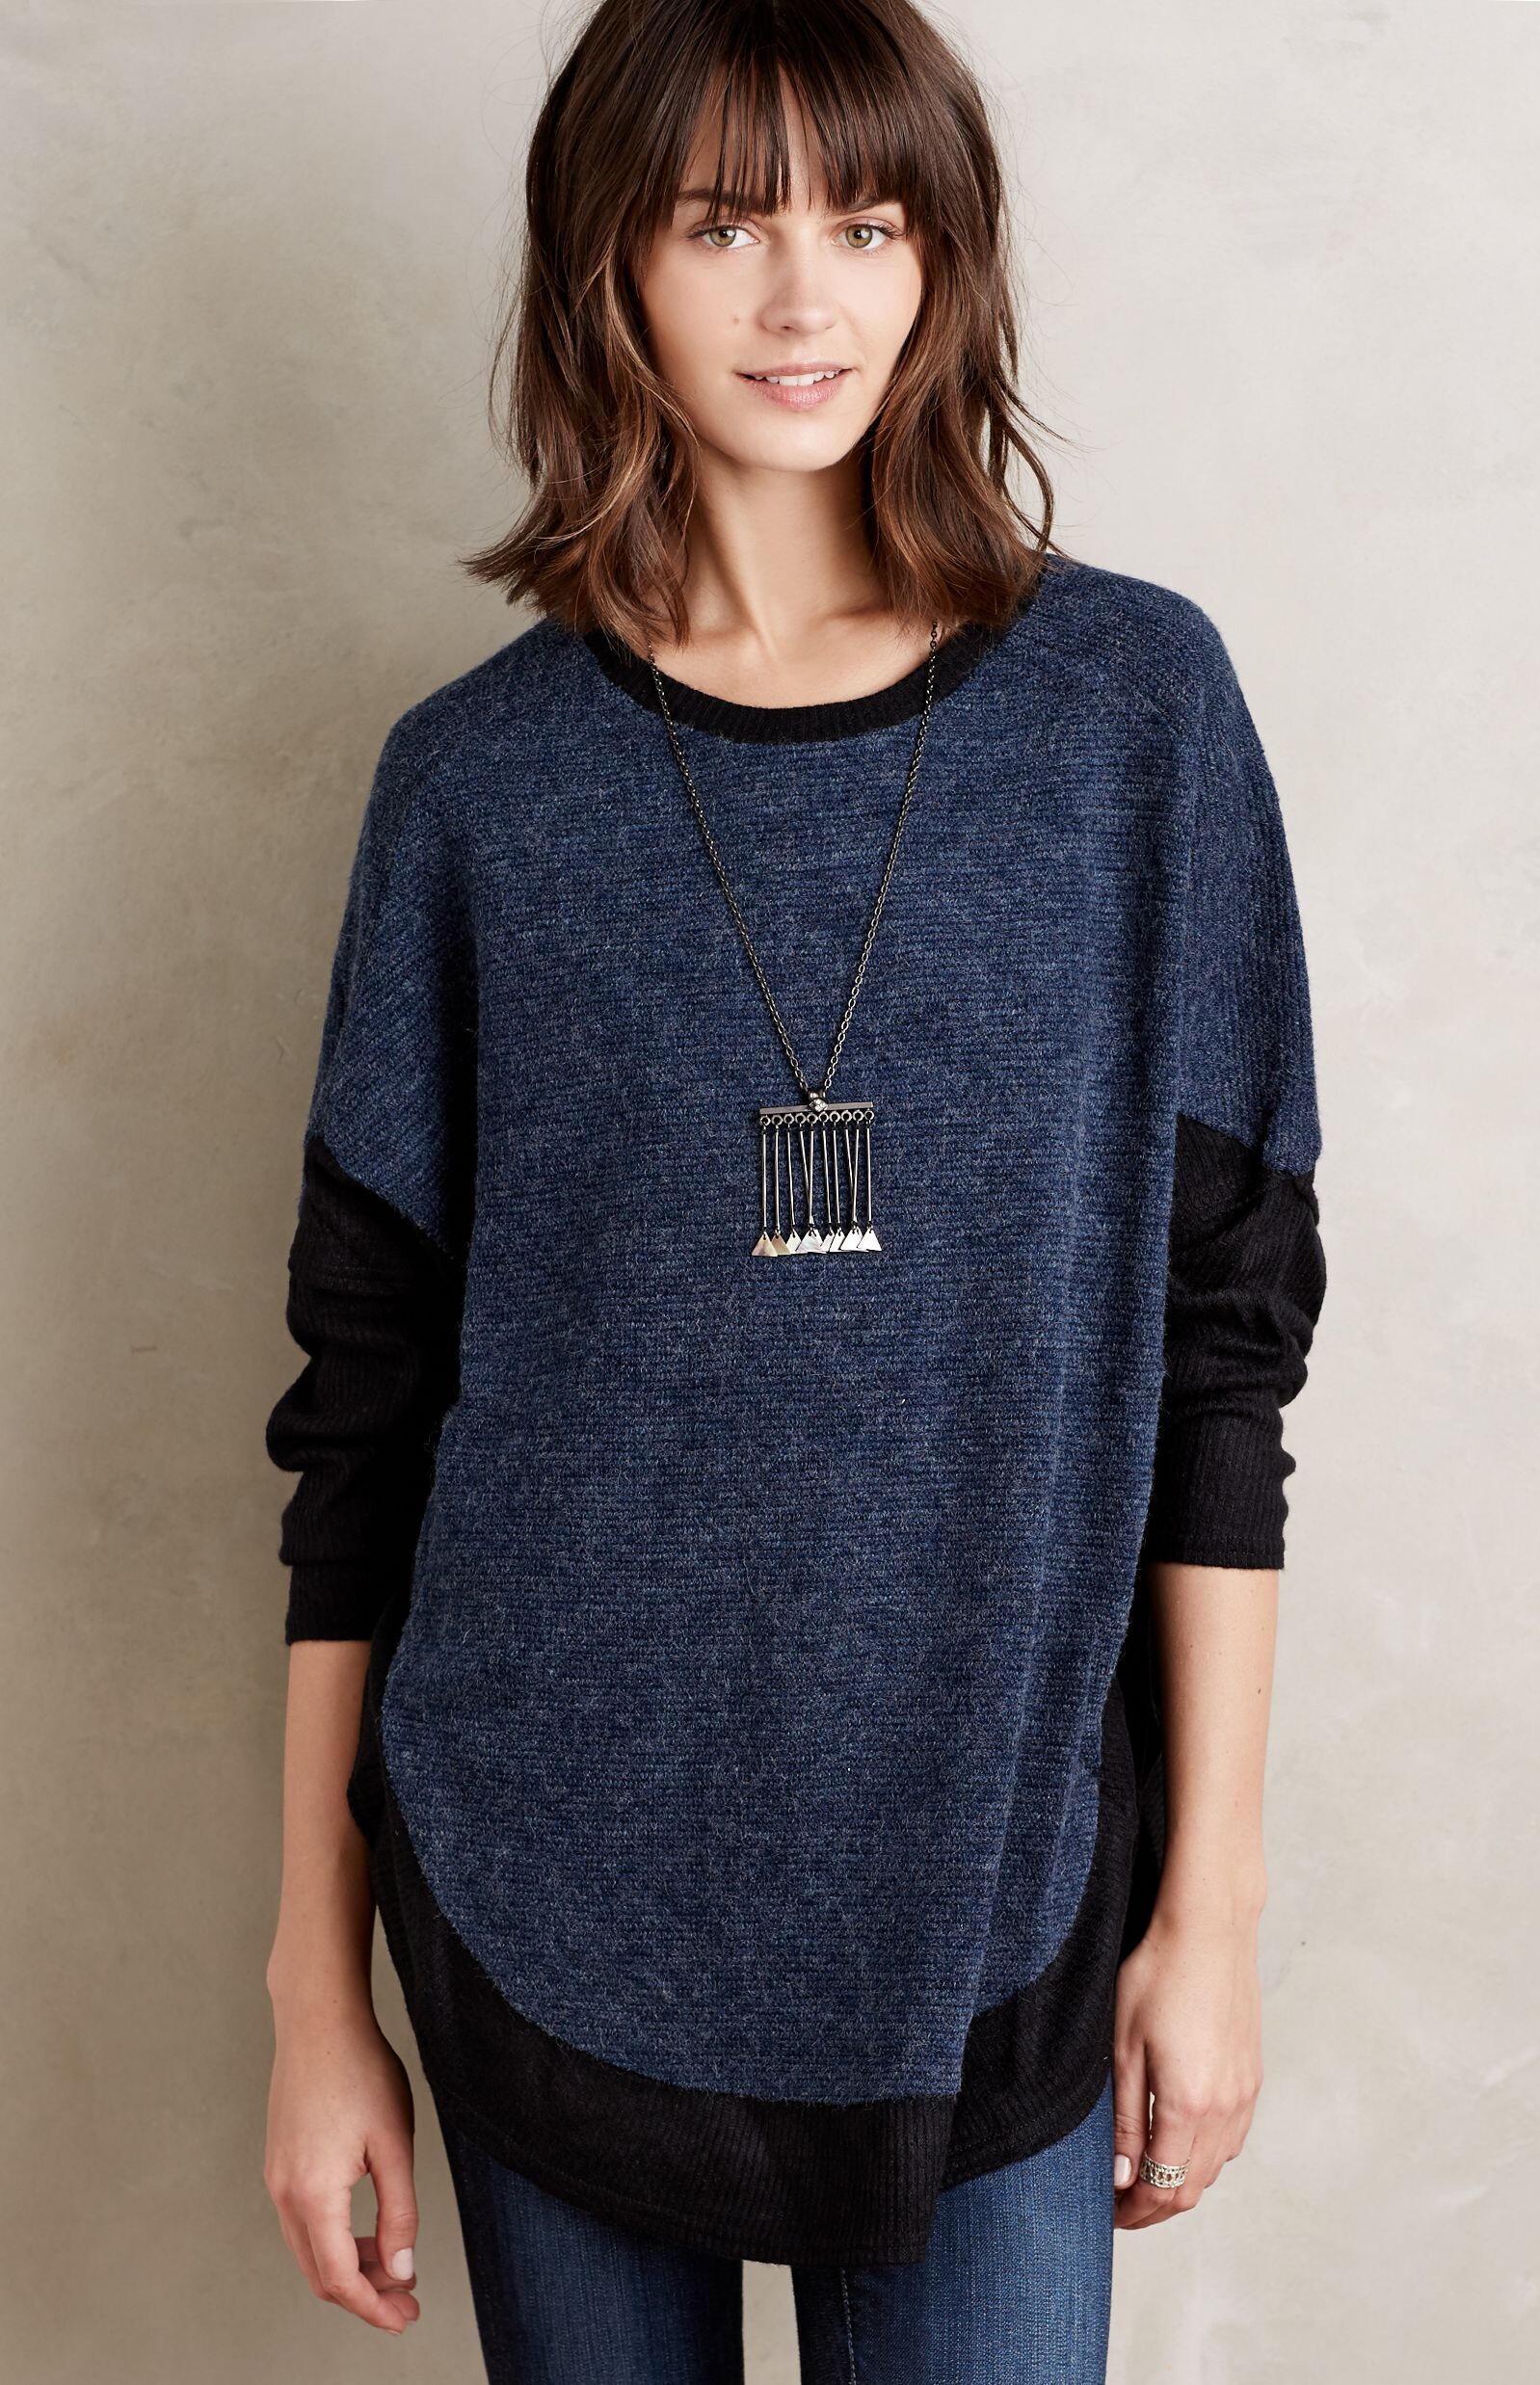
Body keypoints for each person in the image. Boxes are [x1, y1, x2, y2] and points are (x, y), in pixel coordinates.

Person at [260, 3, 1328, 2378]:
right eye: (723, 225)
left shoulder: (1132, 722)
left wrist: (1216, 1903)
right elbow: (364, 1425)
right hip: (545, 1880)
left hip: (998, 1888)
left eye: (870, 221)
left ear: (948, 258)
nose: (806, 297)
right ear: (607, 267)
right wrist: (311, 1985)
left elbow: (1224, 1344)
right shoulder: (477, 792)